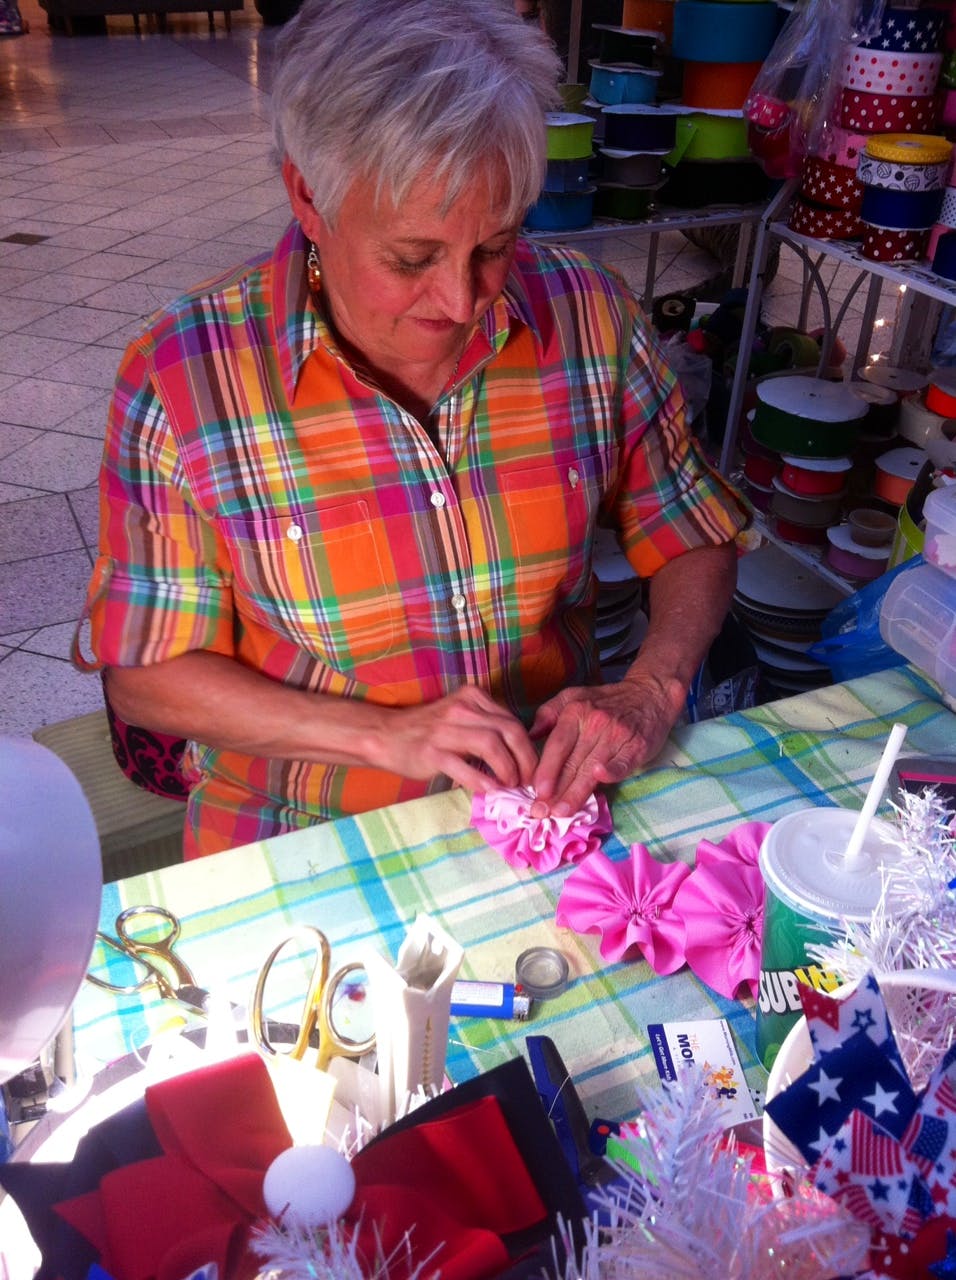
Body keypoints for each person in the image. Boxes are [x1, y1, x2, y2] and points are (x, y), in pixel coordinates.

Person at [78, 0, 749, 859]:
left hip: (543, 799)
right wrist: (381, 737)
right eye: (411, 258)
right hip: (303, 825)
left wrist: (652, 688)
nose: (464, 302)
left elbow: (691, 531)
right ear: (309, 200)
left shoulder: (589, 318)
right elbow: (146, 676)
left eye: (496, 245)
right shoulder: (184, 377)